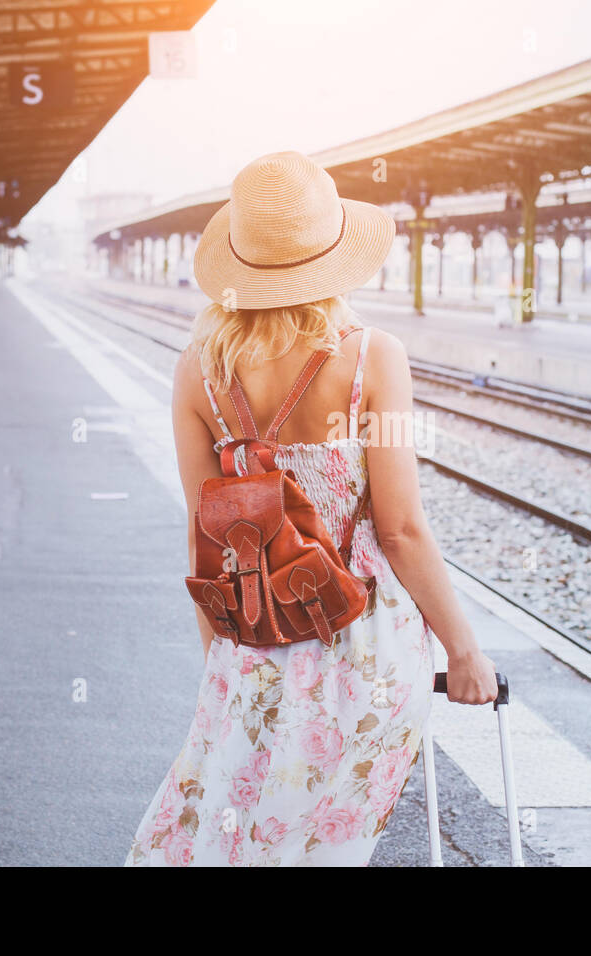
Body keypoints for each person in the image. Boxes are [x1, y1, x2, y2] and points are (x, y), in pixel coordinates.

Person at [125, 151, 499, 866]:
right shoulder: (371, 360)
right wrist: (465, 651)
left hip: (253, 644)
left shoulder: (197, 371)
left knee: (236, 834)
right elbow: (401, 529)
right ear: (334, 256)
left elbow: (207, 532)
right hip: (365, 649)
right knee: (325, 848)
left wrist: (222, 662)